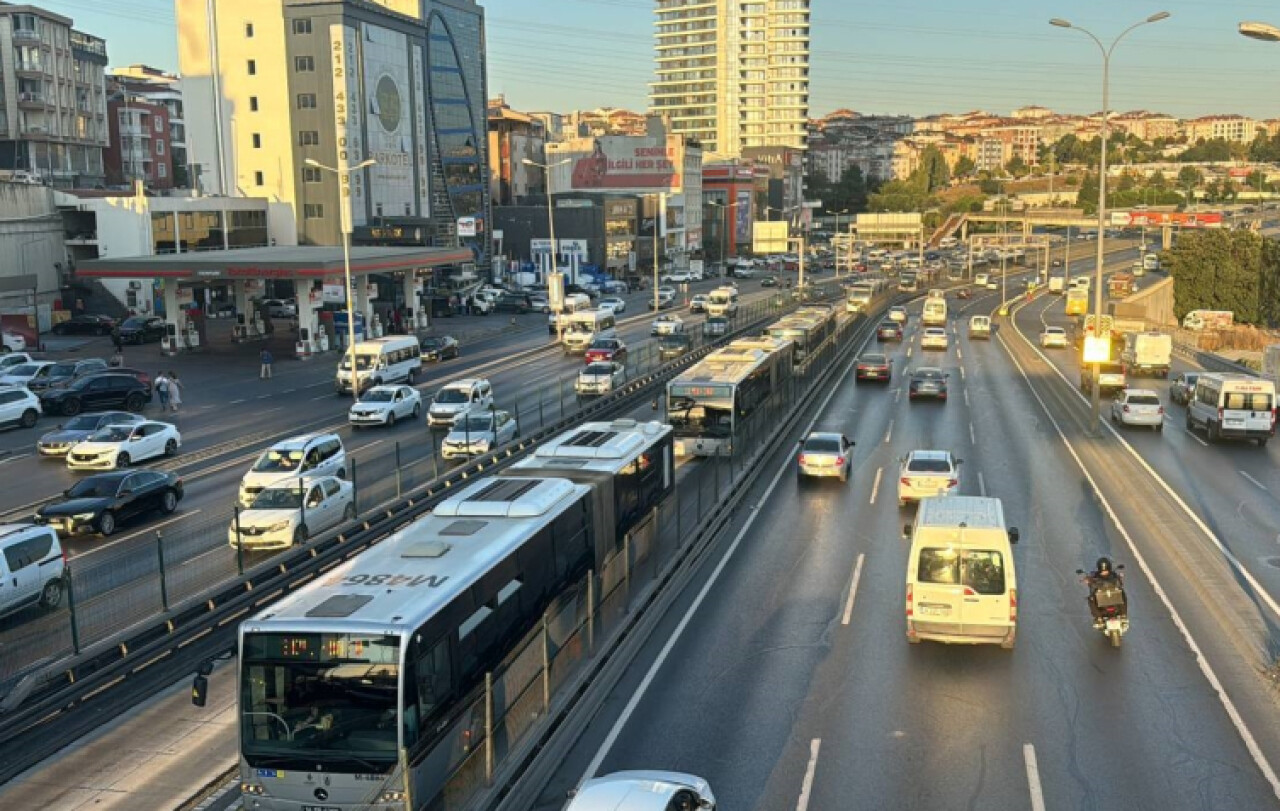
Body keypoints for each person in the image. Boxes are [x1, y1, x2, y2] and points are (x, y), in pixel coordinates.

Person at [1084, 556, 1126, 621]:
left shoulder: (1113, 575)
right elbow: (1092, 585)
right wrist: (1088, 581)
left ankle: (1123, 614)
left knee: (1122, 593)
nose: (1104, 572)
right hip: (1103, 603)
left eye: (1105, 571)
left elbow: (1119, 585)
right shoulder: (1095, 576)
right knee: (1091, 599)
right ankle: (1099, 617)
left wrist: (1120, 578)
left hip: (1113, 600)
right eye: (1103, 571)